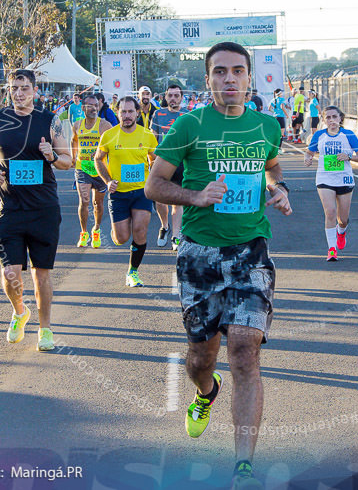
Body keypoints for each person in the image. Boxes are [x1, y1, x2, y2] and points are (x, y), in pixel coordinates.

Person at [145, 41, 291, 490]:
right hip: (199, 255)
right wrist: (195, 196)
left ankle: (243, 466)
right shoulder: (189, 125)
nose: (230, 79)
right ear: (208, 79)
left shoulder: (267, 125)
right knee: (200, 357)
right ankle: (206, 393)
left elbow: (272, 167)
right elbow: (154, 185)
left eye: (238, 71)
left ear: (250, 78)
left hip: (251, 251)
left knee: (245, 350)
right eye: (220, 71)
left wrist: (277, 188)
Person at [0, 69, 73, 351]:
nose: (19, 93)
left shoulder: (50, 120)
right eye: (14, 88)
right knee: (10, 272)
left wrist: (51, 155)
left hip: (43, 207)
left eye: (24, 88)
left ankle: (45, 329)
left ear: (35, 90)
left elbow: (68, 161)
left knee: (40, 273)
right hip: (9, 207)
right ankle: (20, 311)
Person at [95, 96, 158, 287]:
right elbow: (98, 159)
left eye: (131, 111)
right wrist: (107, 181)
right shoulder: (109, 136)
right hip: (119, 194)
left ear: (138, 113)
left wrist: (153, 180)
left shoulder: (147, 135)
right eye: (123, 112)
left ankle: (133, 272)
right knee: (121, 238)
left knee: (140, 231)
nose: (127, 116)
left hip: (141, 193)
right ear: (117, 112)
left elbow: (154, 159)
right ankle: (118, 230)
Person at [305, 105, 358, 261]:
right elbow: (309, 152)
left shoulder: (348, 135)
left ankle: (341, 231)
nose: (331, 120)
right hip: (325, 177)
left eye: (334, 117)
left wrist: (349, 157)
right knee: (330, 212)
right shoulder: (319, 135)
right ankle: (332, 249)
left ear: (340, 118)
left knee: (342, 219)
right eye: (328, 118)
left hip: (344, 177)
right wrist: (308, 158)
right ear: (324, 120)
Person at [72, 93, 113, 248]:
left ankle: (96, 229)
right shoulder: (77, 125)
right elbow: (74, 140)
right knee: (84, 200)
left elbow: (112, 146)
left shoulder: (105, 126)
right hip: (82, 167)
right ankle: (84, 233)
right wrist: (72, 157)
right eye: (90, 105)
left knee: (98, 203)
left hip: (100, 169)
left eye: (96, 105)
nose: (94, 108)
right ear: (83, 108)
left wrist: (99, 154)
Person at [151, 84, 186, 249]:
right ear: (165, 97)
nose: (173, 98)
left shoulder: (188, 115)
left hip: (180, 163)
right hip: (161, 161)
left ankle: (176, 236)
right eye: (170, 95)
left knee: (177, 201)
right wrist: (152, 157)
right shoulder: (158, 114)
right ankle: (164, 226)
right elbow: (154, 137)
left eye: (176, 95)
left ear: (181, 98)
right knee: (159, 199)